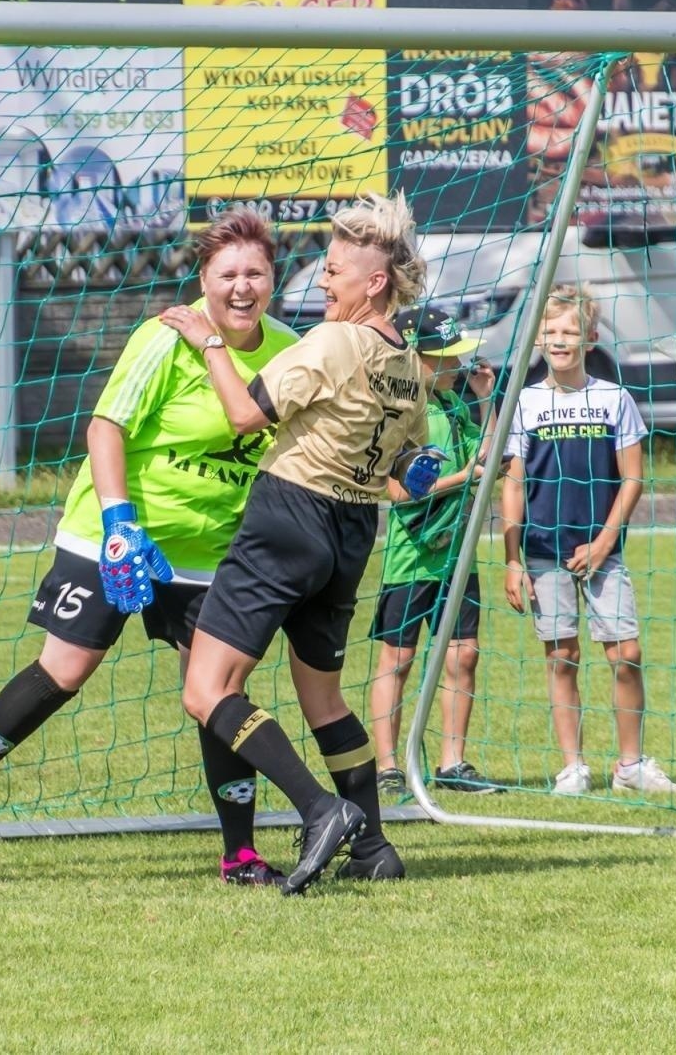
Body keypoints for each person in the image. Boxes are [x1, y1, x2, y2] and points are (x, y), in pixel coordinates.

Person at [0, 208, 301, 885]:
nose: (242, 287)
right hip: (115, 533)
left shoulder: (288, 348)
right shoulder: (166, 338)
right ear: (203, 280)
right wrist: (121, 523)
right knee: (66, 670)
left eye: (256, 273)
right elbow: (107, 428)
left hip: (210, 552)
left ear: (273, 278)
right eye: (227, 275)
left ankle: (240, 854)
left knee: (217, 691)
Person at [174, 191, 448, 895]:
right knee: (323, 698)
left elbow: (241, 414)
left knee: (207, 690)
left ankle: (320, 809)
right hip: (351, 533)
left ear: (374, 281)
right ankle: (375, 845)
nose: (322, 282)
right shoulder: (407, 365)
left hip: (288, 517)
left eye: (332, 271)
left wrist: (207, 339)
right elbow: (410, 473)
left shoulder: (329, 342)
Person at [501, 283, 676, 796]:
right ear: (539, 338)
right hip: (542, 551)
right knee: (562, 655)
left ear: (591, 339)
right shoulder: (525, 402)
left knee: (626, 652)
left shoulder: (615, 398)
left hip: (601, 551)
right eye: (551, 331)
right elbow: (513, 483)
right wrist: (511, 560)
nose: (559, 341)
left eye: (570, 332)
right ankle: (573, 767)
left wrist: (605, 541)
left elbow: (632, 478)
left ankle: (630, 767)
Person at [367, 303, 501, 797]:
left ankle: (453, 763)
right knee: (396, 662)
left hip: (457, 558)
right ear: (413, 357)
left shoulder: (455, 406)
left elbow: (488, 458)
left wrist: (486, 402)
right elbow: (399, 492)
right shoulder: (399, 411)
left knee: (464, 656)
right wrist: (464, 479)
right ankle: (386, 766)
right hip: (412, 558)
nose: (455, 365)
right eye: (444, 357)